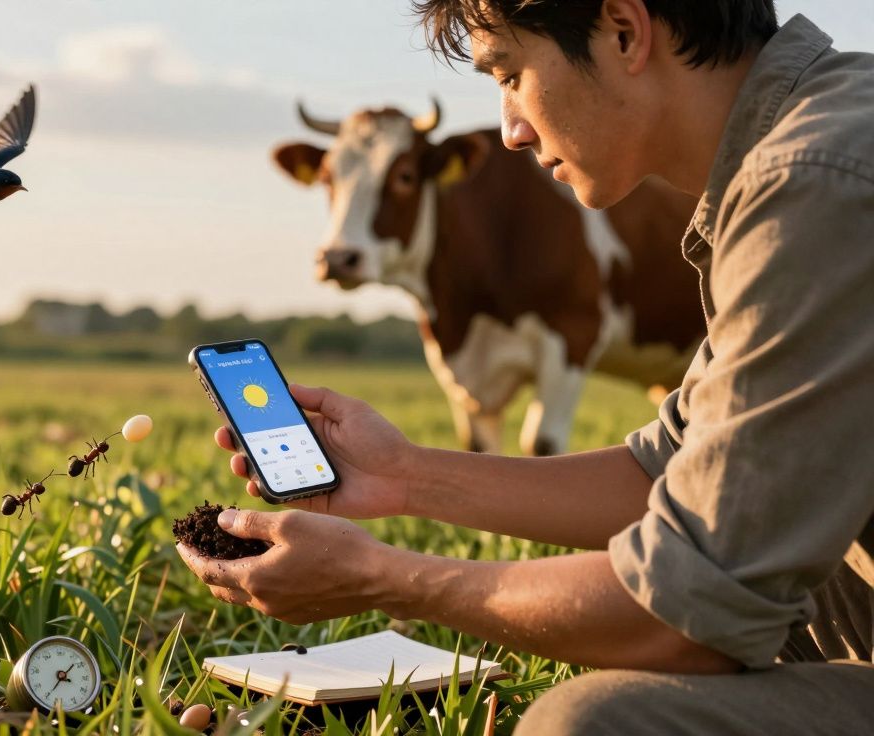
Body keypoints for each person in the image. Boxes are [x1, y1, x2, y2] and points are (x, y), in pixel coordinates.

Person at [175, 1, 874, 732]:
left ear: (624, 32)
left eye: (510, 74)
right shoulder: (812, 139)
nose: (509, 129)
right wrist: (404, 475)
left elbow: (683, 618)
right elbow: (670, 472)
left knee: (587, 722)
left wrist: (380, 577)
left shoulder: (813, 182)